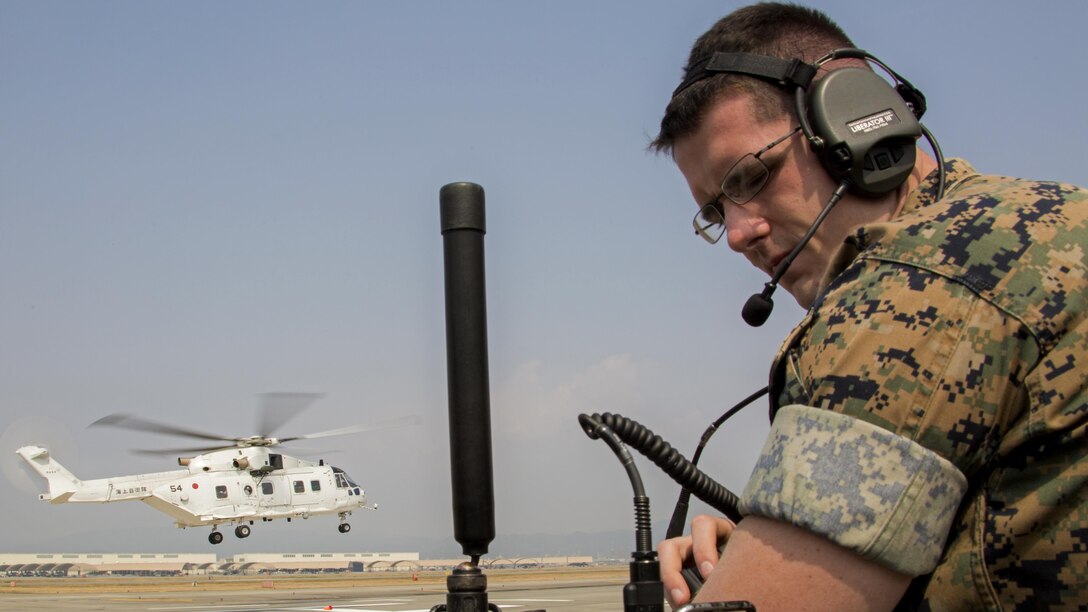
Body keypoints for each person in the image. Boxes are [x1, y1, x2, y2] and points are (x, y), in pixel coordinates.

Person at [650, 3, 1087, 611]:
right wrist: (771, 542)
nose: (741, 233)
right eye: (716, 213)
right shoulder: (1048, 222)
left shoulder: (919, 284)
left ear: (855, 122)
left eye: (750, 178)